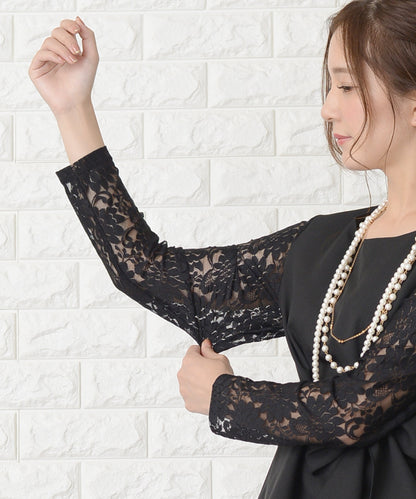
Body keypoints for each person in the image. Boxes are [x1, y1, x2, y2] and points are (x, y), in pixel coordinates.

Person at [27, 1, 416, 497]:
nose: (327, 107)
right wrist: (72, 109)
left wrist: (223, 395)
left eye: (347, 86)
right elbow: (153, 274)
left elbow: (352, 412)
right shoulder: (324, 246)